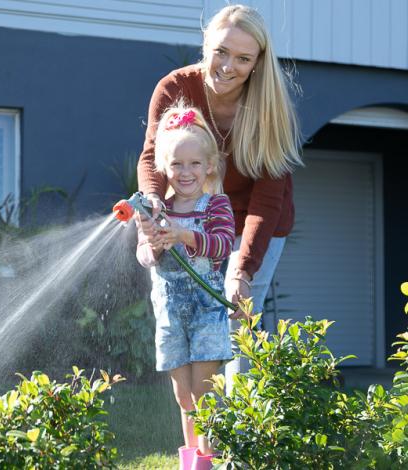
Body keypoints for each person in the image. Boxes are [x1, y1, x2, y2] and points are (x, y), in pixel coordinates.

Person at [136, 4, 303, 401]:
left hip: (256, 223)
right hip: (190, 218)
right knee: (187, 316)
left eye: (243, 58)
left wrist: (242, 272)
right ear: (206, 45)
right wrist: (154, 207)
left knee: (235, 322)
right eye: (221, 51)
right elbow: (151, 157)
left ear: (258, 63)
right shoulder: (175, 88)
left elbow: (268, 198)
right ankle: (203, 439)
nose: (228, 66)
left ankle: (237, 441)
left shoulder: (269, 108)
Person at [135, 104, 235, 470]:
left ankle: (207, 461)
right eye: (177, 164)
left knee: (202, 389)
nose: (186, 172)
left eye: (195, 163)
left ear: (209, 165)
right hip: (170, 313)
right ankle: (189, 460)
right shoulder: (155, 212)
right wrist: (154, 246)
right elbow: (143, 256)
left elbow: (223, 245)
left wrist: (184, 235)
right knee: (182, 395)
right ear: (164, 168)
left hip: (206, 314)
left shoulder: (216, 204)